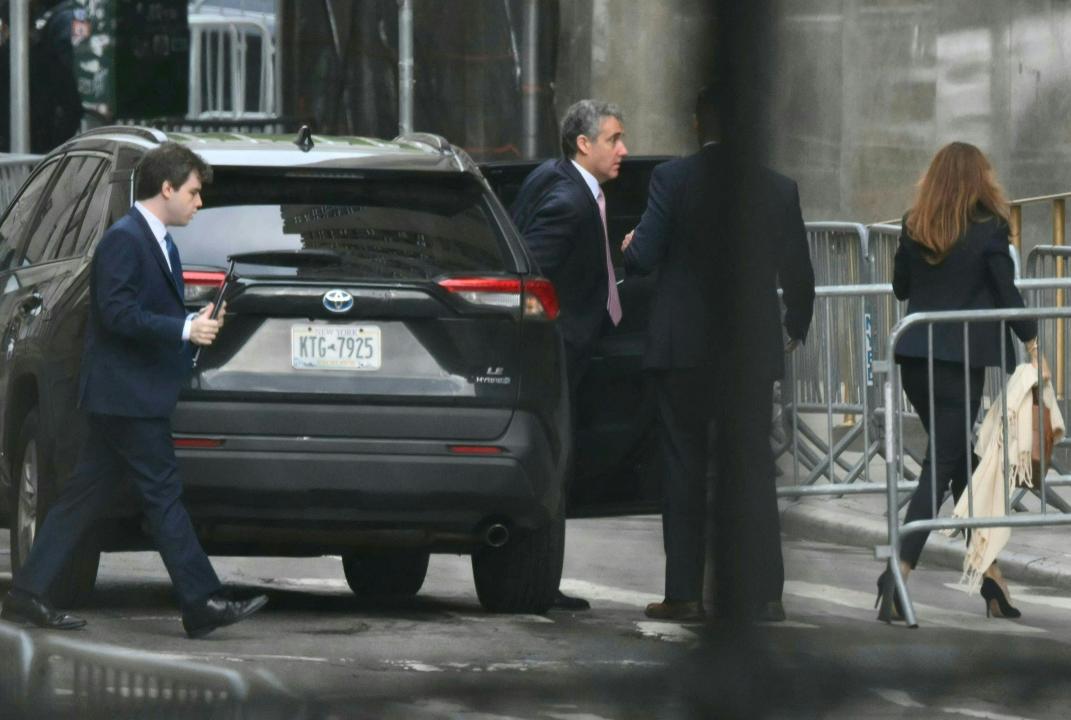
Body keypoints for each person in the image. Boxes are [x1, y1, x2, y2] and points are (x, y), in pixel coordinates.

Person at [0, 142, 268, 638]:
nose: (198, 202)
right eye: (193, 191)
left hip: (127, 394)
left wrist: (192, 322)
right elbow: (117, 313)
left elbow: (143, 314)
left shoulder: (159, 240)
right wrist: (184, 330)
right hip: (126, 396)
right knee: (163, 494)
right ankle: (201, 600)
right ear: (165, 188)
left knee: (83, 494)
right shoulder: (125, 240)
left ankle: (27, 591)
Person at [622, 85, 815, 623]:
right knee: (752, 466)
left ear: (696, 124)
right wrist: (795, 325)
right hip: (748, 354)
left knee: (683, 467)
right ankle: (765, 595)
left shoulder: (672, 179)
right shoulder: (776, 188)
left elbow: (645, 255)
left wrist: (630, 246)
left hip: (682, 350)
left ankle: (684, 594)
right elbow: (799, 275)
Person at [878, 141, 1039, 623]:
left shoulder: (914, 223)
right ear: (979, 180)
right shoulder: (990, 228)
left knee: (955, 463)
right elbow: (1007, 292)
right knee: (943, 462)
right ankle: (897, 572)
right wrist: (1033, 346)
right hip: (960, 362)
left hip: (914, 359)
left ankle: (992, 577)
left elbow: (900, 288)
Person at [510, 99, 629, 610]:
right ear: (584, 144)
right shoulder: (569, 201)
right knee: (554, 468)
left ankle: (537, 580)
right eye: (613, 139)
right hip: (558, 353)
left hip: (572, 347)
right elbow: (531, 273)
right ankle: (538, 582)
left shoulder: (553, 178)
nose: (624, 149)